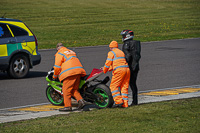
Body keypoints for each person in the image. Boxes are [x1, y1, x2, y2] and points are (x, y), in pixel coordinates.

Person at [53, 43, 87, 111]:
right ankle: (81, 101)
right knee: (74, 89)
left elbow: (57, 67)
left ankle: (68, 107)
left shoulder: (59, 53)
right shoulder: (71, 52)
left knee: (66, 90)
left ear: (57, 48)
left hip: (69, 73)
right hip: (78, 71)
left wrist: (55, 76)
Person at [102, 41, 130, 108]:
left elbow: (108, 63)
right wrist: (109, 69)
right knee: (124, 87)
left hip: (119, 71)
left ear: (111, 47)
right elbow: (117, 63)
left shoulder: (111, 53)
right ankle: (125, 104)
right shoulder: (121, 52)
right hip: (127, 70)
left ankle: (119, 102)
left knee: (113, 87)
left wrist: (104, 70)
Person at [120, 30, 141, 106]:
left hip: (129, 67)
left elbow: (128, 56)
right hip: (136, 66)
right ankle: (135, 101)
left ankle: (122, 101)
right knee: (133, 84)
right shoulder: (137, 43)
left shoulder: (126, 44)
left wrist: (123, 63)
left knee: (124, 83)